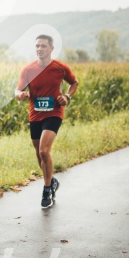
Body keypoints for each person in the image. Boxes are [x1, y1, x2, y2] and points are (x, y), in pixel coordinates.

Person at [15, 34, 79, 208]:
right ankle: (51, 181)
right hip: (35, 115)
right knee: (38, 153)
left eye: (43, 46)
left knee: (44, 151)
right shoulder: (28, 70)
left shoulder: (60, 68)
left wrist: (67, 96)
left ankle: (47, 189)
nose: (39, 49)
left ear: (51, 48)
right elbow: (17, 90)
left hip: (54, 113)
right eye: (37, 46)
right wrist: (20, 95)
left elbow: (74, 83)